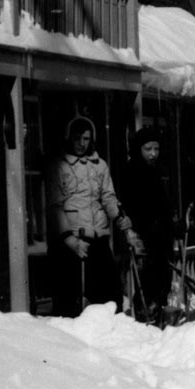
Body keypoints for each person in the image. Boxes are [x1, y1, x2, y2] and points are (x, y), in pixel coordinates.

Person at [51, 116, 135, 316]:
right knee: (74, 297)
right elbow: (54, 205)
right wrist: (68, 239)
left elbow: (108, 196)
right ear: (69, 138)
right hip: (74, 241)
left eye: (86, 139)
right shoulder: (60, 166)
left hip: (98, 237)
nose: (81, 143)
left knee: (110, 292)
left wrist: (118, 217)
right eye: (77, 138)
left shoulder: (100, 165)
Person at [120, 127, 178, 323]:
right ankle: (145, 318)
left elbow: (165, 205)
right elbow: (130, 207)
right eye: (148, 149)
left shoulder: (159, 171)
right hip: (143, 239)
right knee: (146, 285)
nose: (153, 153)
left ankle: (159, 317)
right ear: (139, 149)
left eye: (156, 148)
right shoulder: (130, 172)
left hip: (161, 239)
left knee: (162, 283)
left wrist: (171, 224)